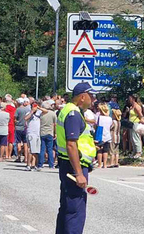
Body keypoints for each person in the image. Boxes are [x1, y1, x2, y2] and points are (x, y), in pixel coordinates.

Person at [56, 83, 97, 234]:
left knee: (67, 207)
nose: (93, 99)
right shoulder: (73, 114)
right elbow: (71, 145)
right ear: (82, 97)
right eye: (91, 96)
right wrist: (79, 173)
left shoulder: (69, 110)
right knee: (75, 210)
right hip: (74, 167)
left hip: (69, 164)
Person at [39, 100, 57, 169]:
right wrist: (55, 133)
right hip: (50, 132)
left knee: (42, 149)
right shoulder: (53, 113)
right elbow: (55, 124)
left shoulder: (41, 114)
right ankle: (51, 164)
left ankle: (40, 164)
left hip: (42, 132)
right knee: (50, 149)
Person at [25, 102, 42, 171]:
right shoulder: (28, 113)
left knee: (36, 151)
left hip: (38, 134)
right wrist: (32, 111)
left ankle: (34, 165)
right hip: (31, 133)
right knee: (31, 150)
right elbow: (26, 118)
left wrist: (39, 108)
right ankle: (28, 165)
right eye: (33, 105)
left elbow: (47, 111)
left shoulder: (39, 113)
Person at [15, 98, 31, 163]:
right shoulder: (28, 109)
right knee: (25, 143)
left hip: (18, 127)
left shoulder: (18, 109)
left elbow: (15, 118)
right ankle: (26, 158)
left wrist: (16, 122)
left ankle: (19, 157)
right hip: (25, 127)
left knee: (18, 142)